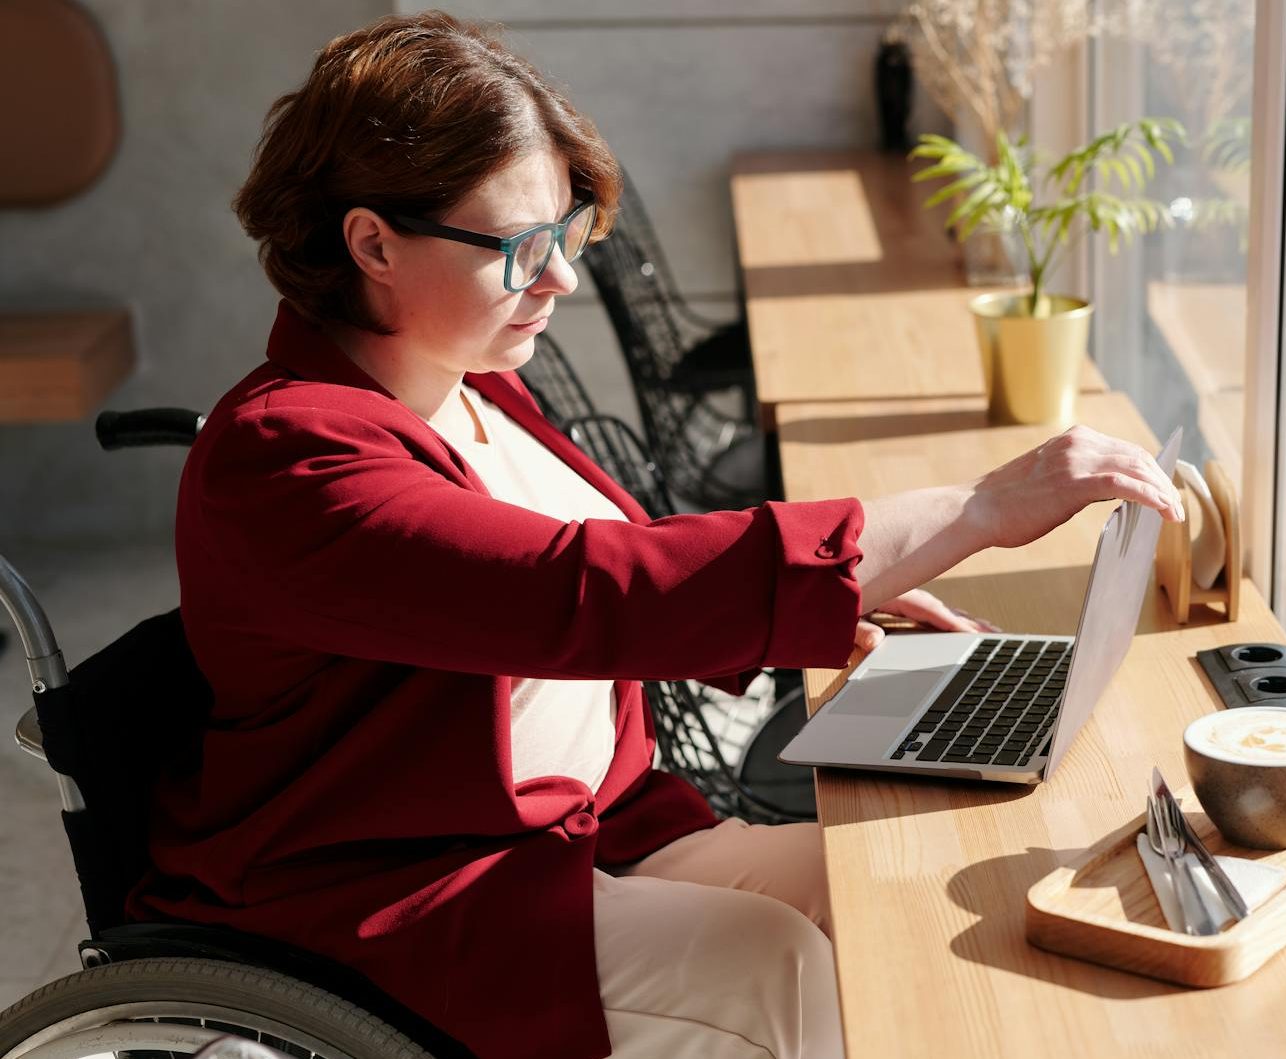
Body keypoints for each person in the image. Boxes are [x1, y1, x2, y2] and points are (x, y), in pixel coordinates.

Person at [124, 13, 1184, 1059]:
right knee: (777, 964)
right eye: (518, 248)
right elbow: (586, 592)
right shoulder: (289, 460)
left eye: (566, 234)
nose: (560, 279)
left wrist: (847, 587)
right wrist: (975, 512)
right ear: (371, 243)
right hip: (409, 890)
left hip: (588, 830)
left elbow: (602, 555)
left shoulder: (462, 382)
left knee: (886, 887)